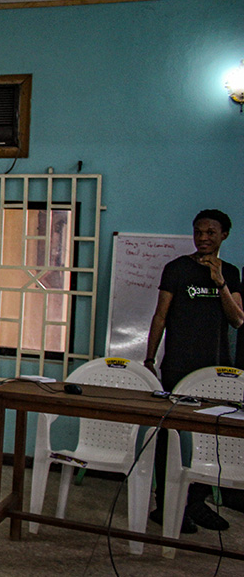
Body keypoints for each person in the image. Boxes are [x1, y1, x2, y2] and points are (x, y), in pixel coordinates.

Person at [143, 209, 244, 533]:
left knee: (209, 436)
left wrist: (220, 283)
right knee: (169, 434)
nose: (203, 238)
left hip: (215, 371)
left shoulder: (230, 272)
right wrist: (149, 359)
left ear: (224, 235)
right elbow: (160, 315)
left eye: (210, 233)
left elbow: (238, 319)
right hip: (177, 365)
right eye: (198, 232)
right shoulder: (176, 269)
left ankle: (196, 502)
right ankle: (166, 503)